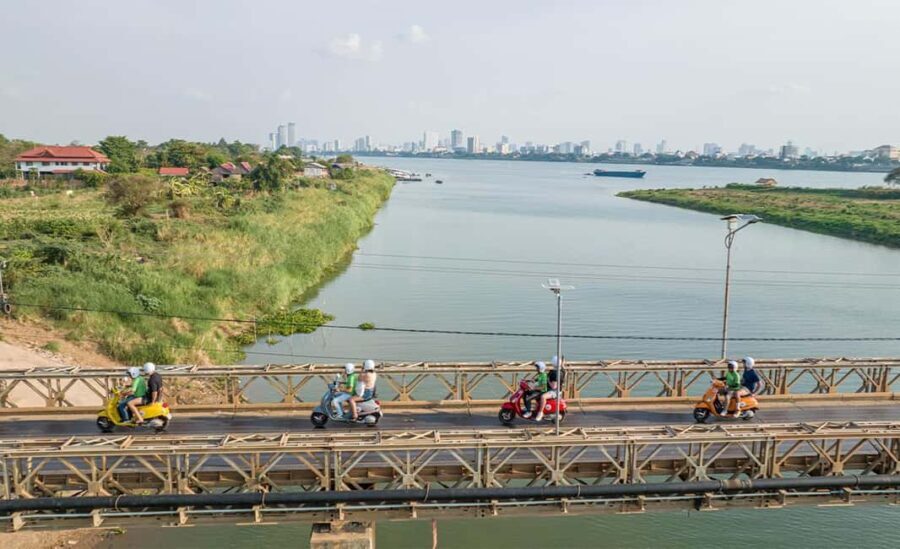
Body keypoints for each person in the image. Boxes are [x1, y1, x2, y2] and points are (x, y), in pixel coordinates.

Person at [534, 356, 564, 422]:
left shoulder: (555, 373)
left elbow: (554, 386)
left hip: (554, 391)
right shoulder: (561, 370)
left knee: (543, 397)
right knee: (536, 393)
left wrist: (548, 380)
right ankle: (536, 408)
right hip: (557, 390)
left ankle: (540, 413)